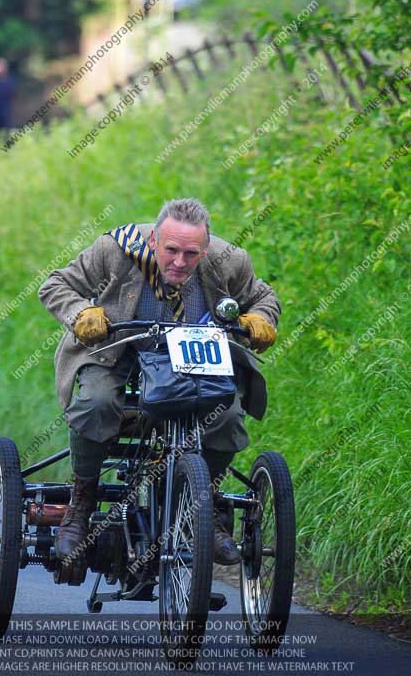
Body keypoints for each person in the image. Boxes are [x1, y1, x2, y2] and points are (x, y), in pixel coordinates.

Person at [38, 198, 281, 565]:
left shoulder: (229, 260)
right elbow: (55, 284)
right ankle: (82, 500)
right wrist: (81, 312)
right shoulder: (114, 251)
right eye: (171, 250)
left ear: (206, 248)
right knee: (97, 402)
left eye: (191, 253)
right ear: (154, 241)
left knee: (227, 416)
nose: (180, 262)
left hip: (193, 355)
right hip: (119, 348)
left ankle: (207, 506)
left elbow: (264, 297)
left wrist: (261, 318)